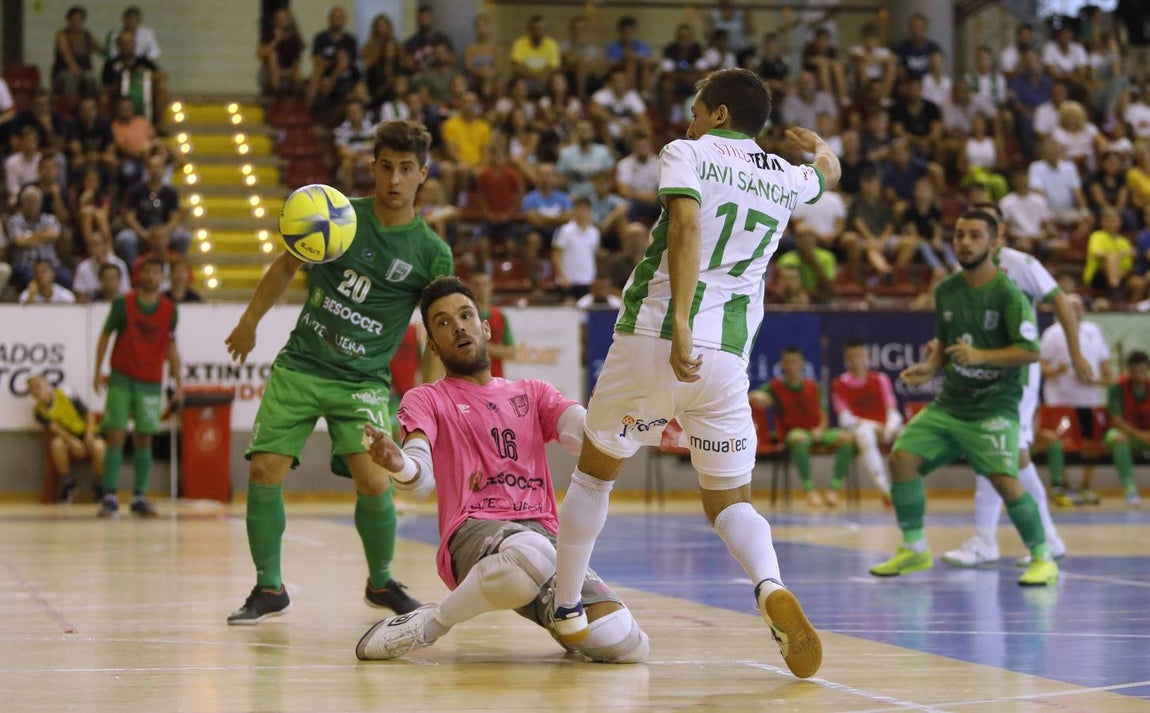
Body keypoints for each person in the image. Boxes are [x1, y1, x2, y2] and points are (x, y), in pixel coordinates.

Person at [550, 68, 839, 679]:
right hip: (728, 355)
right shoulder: (788, 177)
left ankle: (568, 604)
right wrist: (821, 151)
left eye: (696, 108)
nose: (688, 119)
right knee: (728, 499)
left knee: (596, 471)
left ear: (721, 115)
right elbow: (827, 177)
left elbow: (684, 228)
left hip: (658, 334)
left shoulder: (687, 152)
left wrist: (679, 320)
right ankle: (768, 585)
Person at [223, 121, 453, 625]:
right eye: (386, 166)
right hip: (300, 366)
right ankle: (269, 589)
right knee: (263, 471)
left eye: (406, 169)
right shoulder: (337, 216)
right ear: (372, 167)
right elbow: (286, 266)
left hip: (363, 381)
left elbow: (435, 325)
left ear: (423, 176)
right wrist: (248, 321)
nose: (394, 179)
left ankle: (381, 582)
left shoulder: (432, 252)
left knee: (375, 480)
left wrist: (428, 394)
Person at [355, 277, 649, 663]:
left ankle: (559, 616)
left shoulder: (532, 392)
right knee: (531, 552)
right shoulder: (427, 398)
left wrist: (621, 416)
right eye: (442, 323)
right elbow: (420, 479)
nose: (458, 326)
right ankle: (430, 624)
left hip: (542, 533)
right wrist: (399, 464)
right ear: (434, 345)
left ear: (486, 327)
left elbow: (580, 431)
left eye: (465, 315)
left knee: (626, 644)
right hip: (473, 529)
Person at [871, 210, 1057, 587]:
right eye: (959, 235)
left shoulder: (1008, 293)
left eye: (974, 236)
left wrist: (982, 357)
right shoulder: (946, 289)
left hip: (994, 405)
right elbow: (945, 344)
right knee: (902, 459)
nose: (965, 243)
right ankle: (914, 548)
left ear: (993, 244)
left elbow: (1030, 351)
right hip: (951, 402)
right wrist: (930, 366)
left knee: (1005, 479)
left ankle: (1043, 556)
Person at [942, 202, 1090, 567]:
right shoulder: (968, 269)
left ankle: (986, 540)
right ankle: (1048, 537)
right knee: (1012, 456)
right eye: (966, 231)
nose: (970, 238)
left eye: (983, 229)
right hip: (985, 373)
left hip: (1016, 374)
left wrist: (1076, 353)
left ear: (999, 233)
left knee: (992, 448)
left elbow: (1061, 302)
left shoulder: (1021, 264)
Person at [92, 257, 181, 518]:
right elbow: (105, 335)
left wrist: (178, 382)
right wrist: (98, 371)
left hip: (151, 381)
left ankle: (139, 496)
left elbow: (172, 347)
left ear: (162, 277)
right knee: (115, 435)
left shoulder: (169, 310)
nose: (152, 276)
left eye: (156, 271)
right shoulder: (123, 304)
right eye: (147, 271)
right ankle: (109, 495)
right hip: (121, 377)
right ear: (139, 275)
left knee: (145, 438)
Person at [750, 347, 855, 507]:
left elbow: (824, 413)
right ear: (782, 366)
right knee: (798, 438)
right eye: (788, 363)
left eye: (795, 362)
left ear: (802, 364)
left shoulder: (815, 386)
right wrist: (758, 395)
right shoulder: (775, 387)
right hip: (794, 433)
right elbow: (752, 396)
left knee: (846, 439)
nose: (791, 366)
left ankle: (834, 489)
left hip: (818, 431)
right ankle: (809, 490)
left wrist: (820, 429)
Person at [1040, 293, 1111, 505]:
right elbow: (1041, 367)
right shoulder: (1052, 333)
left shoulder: (1093, 331)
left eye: (1078, 306)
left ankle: (1085, 487)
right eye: (1069, 306)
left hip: (1088, 400)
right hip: (1061, 400)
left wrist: (1096, 380)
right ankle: (1064, 486)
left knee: (1091, 445)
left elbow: (1106, 369)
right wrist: (1056, 370)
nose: (1074, 310)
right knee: (1062, 444)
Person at [831, 339, 903, 503]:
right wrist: (874, 426)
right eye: (852, 357)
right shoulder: (839, 384)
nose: (856, 361)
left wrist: (889, 428)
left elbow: (892, 410)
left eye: (860, 356)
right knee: (865, 435)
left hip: (886, 428)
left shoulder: (881, 379)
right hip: (863, 429)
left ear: (867, 357)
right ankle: (886, 490)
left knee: (909, 435)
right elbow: (845, 419)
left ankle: (906, 488)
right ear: (846, 360)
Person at [28, 373, 105, 502]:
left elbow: (88, 414)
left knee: (99, 447)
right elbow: (56, 429)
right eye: (31, 389)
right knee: (56, 444)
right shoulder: (38, 411)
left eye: (37, 386)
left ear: (47, 385)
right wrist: (72, 441)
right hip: (69, 436)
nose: (35, 391)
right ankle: (68, 482)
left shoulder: (65, 392)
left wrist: (89, 434)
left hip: (87, 431)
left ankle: (101, 483)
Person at [1105, 350, 1149, 507]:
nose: (1139, 375)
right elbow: (1116, 419)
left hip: (1146, 433)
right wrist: (1141, 434)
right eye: (1136, 371)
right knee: (1118, 439)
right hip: (1124, 432)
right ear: (1129, 370)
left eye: (1143, 371)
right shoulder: (1117, 387)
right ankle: (1130, 489)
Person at [466, 269, 516, 378]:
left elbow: (511, 351)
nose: (481, 289)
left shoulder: (500, 316)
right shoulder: (463, 317)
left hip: (495, 377)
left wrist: (484, 347)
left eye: (485, 285)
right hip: (469, 378)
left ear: (491, 286)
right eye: (477, 285)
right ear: (469, 287)